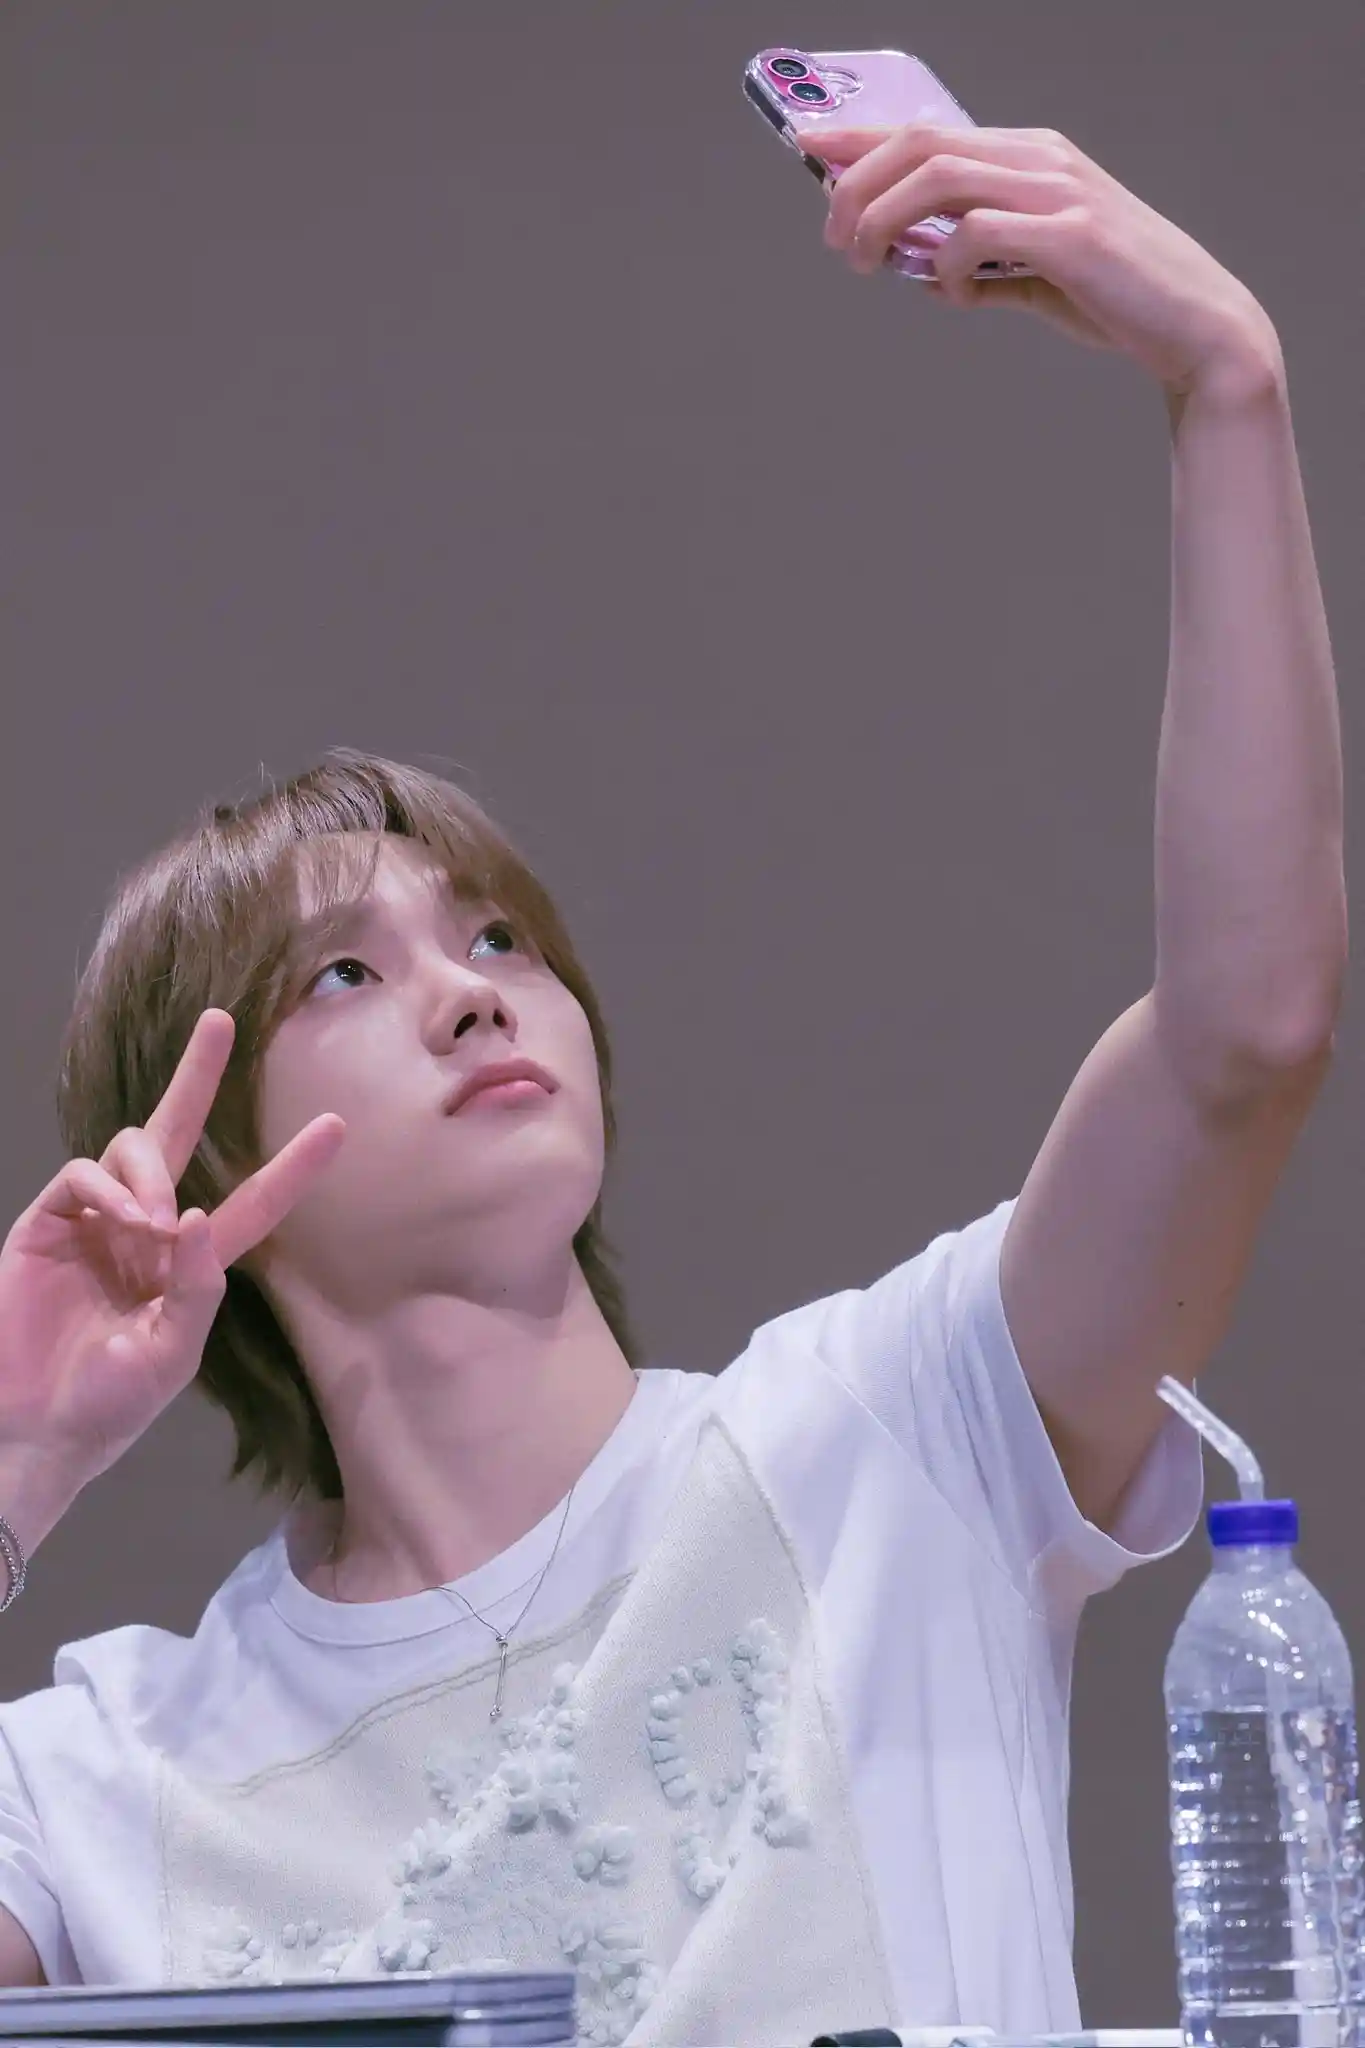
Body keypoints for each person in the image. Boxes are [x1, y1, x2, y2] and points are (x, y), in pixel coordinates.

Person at [0, 111, 1344, 2048]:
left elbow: (1245, 1036)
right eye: (346, 972)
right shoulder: (107, 1772)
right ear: (199, 1161)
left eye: (499, 939)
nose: (471, 998)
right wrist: (18, 1462)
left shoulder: (890, 1436)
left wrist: (1228, 387)